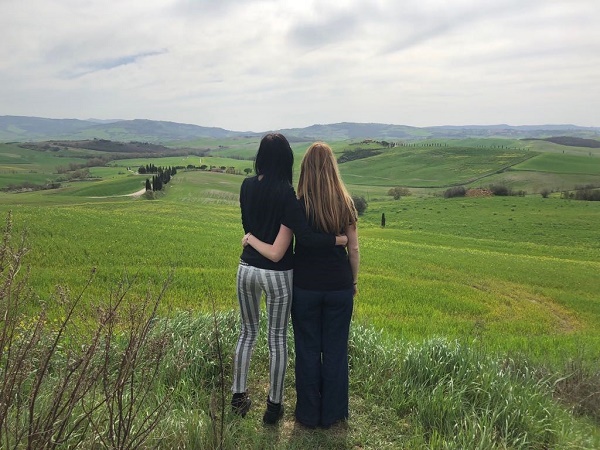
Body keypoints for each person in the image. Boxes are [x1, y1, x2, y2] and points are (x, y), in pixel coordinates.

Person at [232, 133, 347, 425]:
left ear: (260, 156)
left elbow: (250, 230)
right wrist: (338, 239)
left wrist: (251, 241)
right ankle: (274, 407)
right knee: (277, 339)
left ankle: (238, 396)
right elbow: (296, 243)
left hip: (246, 270)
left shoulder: (245, 186)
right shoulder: (286, 195)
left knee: (247, 334)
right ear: (286, 160)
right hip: (278, 274)